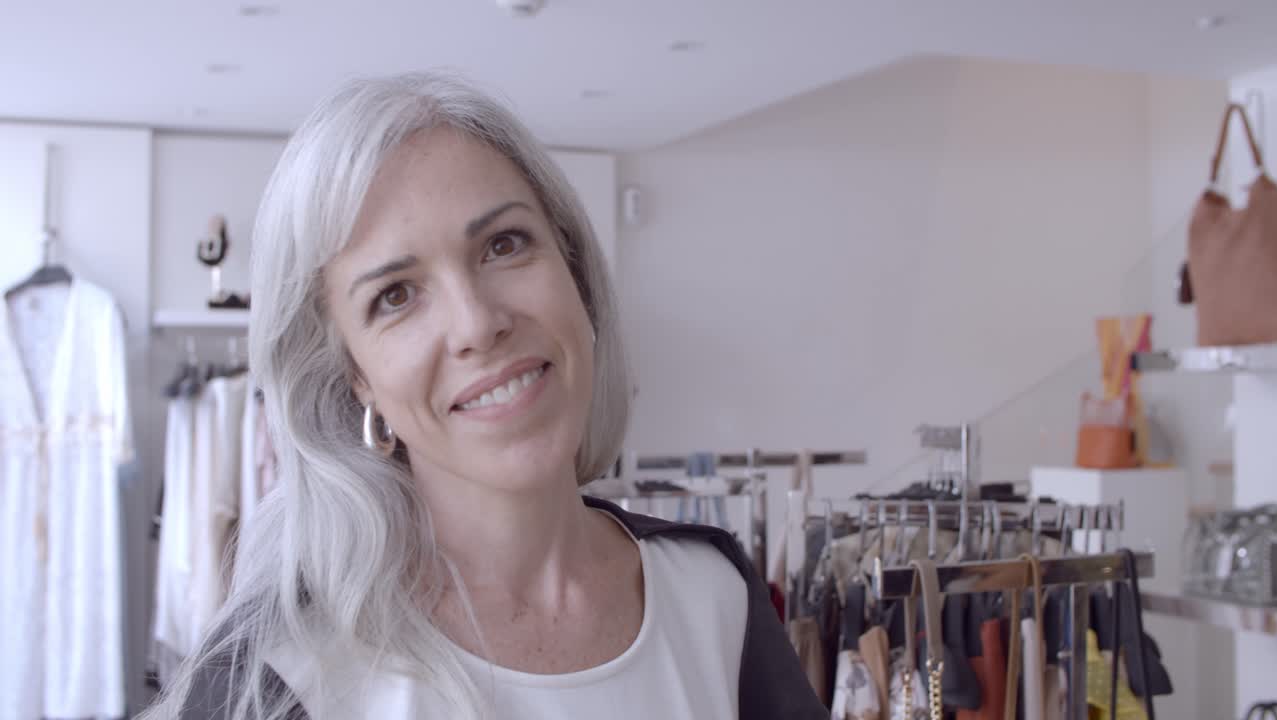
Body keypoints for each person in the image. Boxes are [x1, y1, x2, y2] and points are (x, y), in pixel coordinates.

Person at [142, 71, 825, 720]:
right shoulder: (282, 672)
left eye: (504, 245)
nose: (476, 323)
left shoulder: (711, 592)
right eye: (396, 296)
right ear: (355, 375)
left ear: (576, 272)